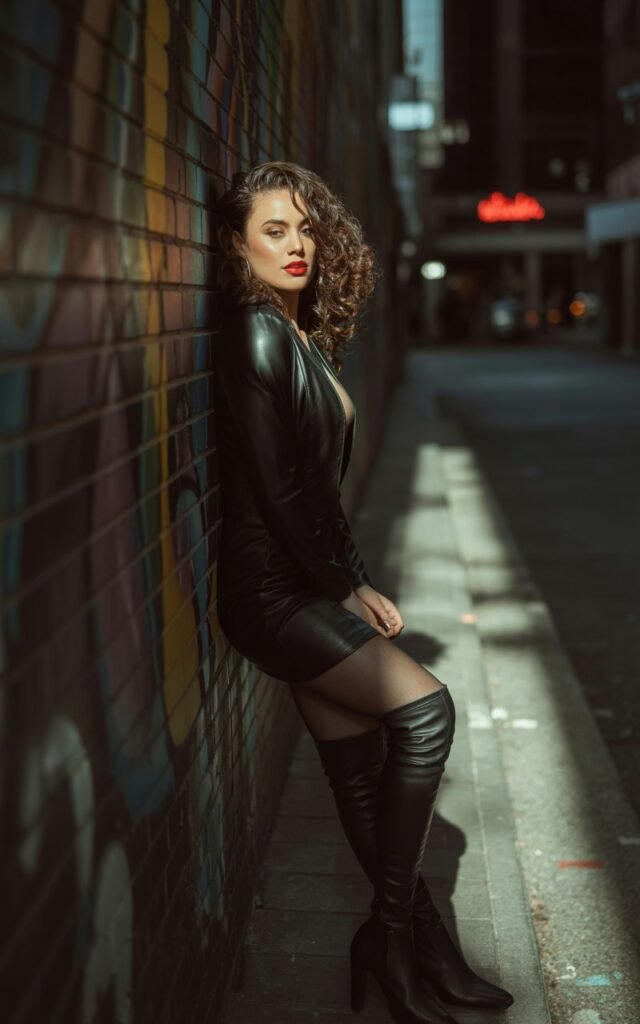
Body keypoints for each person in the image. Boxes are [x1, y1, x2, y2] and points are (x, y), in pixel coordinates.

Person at [214, 162, 513, 1024]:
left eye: (306, 229)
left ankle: (422, 947)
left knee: (357, 774)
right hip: (271, 593)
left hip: (299, 581)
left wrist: (352, 574)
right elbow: (279, 493)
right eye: (274, 231)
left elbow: (319, 492)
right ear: (236, 245)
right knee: (426, 713)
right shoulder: (257, 337)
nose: (297, 245)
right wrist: (343, 588)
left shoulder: (296, 335)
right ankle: (389, 934)